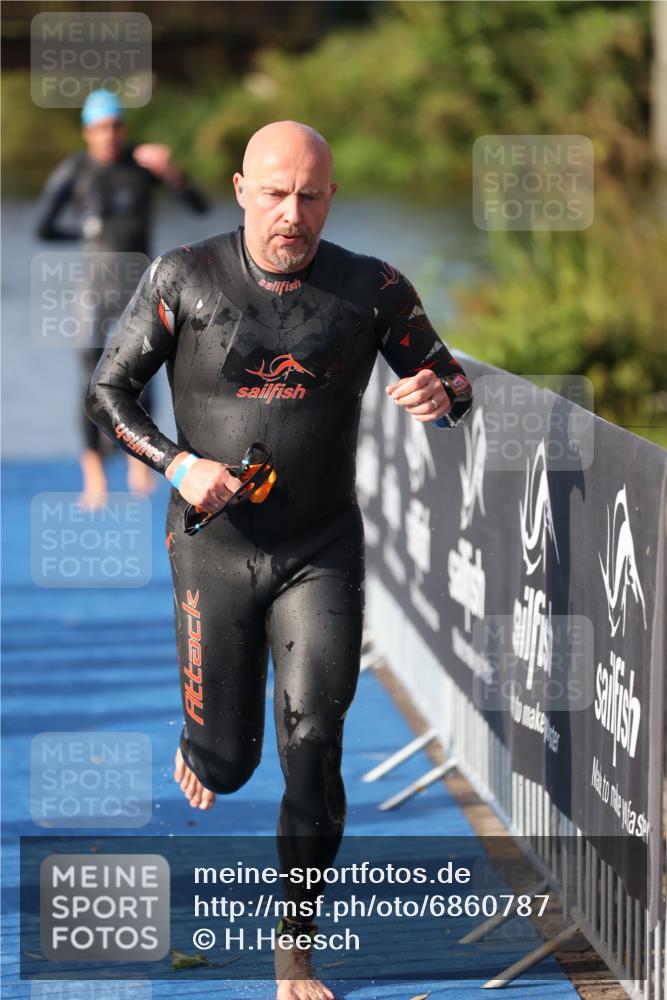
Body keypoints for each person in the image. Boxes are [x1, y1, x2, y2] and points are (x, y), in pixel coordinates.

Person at [85, 120, 472, 1000]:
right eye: (273, 193)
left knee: (315, 742)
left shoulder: (371, 288)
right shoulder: (183, 277)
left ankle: (295, 943)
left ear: (329, 197)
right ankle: (205, 739)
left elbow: (453, 386)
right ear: (239, 190)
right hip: (212, 551)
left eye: (308, 195)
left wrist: (438, 391)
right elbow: (108, 390)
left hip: (320, 548)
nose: (290, 213)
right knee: (227, 765)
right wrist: (178, 464)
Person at [35, 88, 208, 507]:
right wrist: (85, 232)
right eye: (100, 127)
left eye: (114, 126)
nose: (108, 134)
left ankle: (139, 462)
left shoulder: (142, 164)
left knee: (143, 375)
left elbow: (200, 207)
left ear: (123, 128)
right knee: (89, 379)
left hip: (139, 287)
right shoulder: (74, 170)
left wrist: (172, 173)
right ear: (87, 132)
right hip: (94, 289)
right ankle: (94, 475)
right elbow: (43, 228)